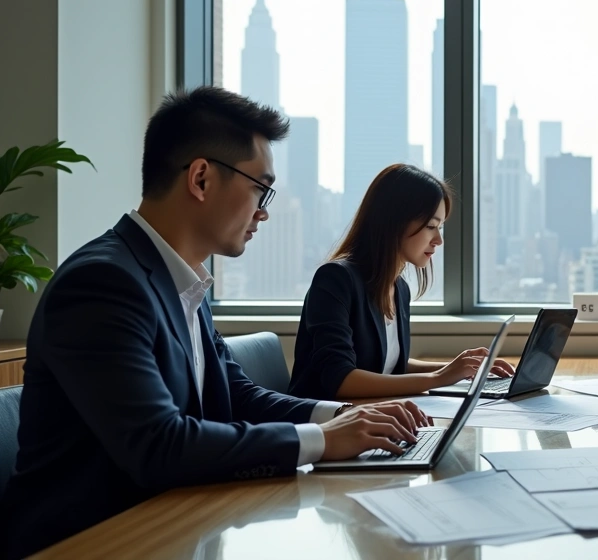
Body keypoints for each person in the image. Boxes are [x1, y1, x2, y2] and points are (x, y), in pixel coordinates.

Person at [0, 87, 431, 559]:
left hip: (173, 523)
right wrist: (321, 440)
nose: (264, 210)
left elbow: (237, 393)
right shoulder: (103, 283)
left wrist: (341, 417)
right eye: (259, 188)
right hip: (94, 541)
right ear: (201, 178)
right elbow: (159, 444)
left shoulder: (182, 282)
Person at [288, 164, 515, 400]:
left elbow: (388, 365)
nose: (439, 240)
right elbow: (340, 380)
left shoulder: (399, 289)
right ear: (393, 222)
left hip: (373, 415)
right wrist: (439, 378)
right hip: (326, 425)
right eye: (430, 226)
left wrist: (464, 367)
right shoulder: (336, 280)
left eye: (440, 228)